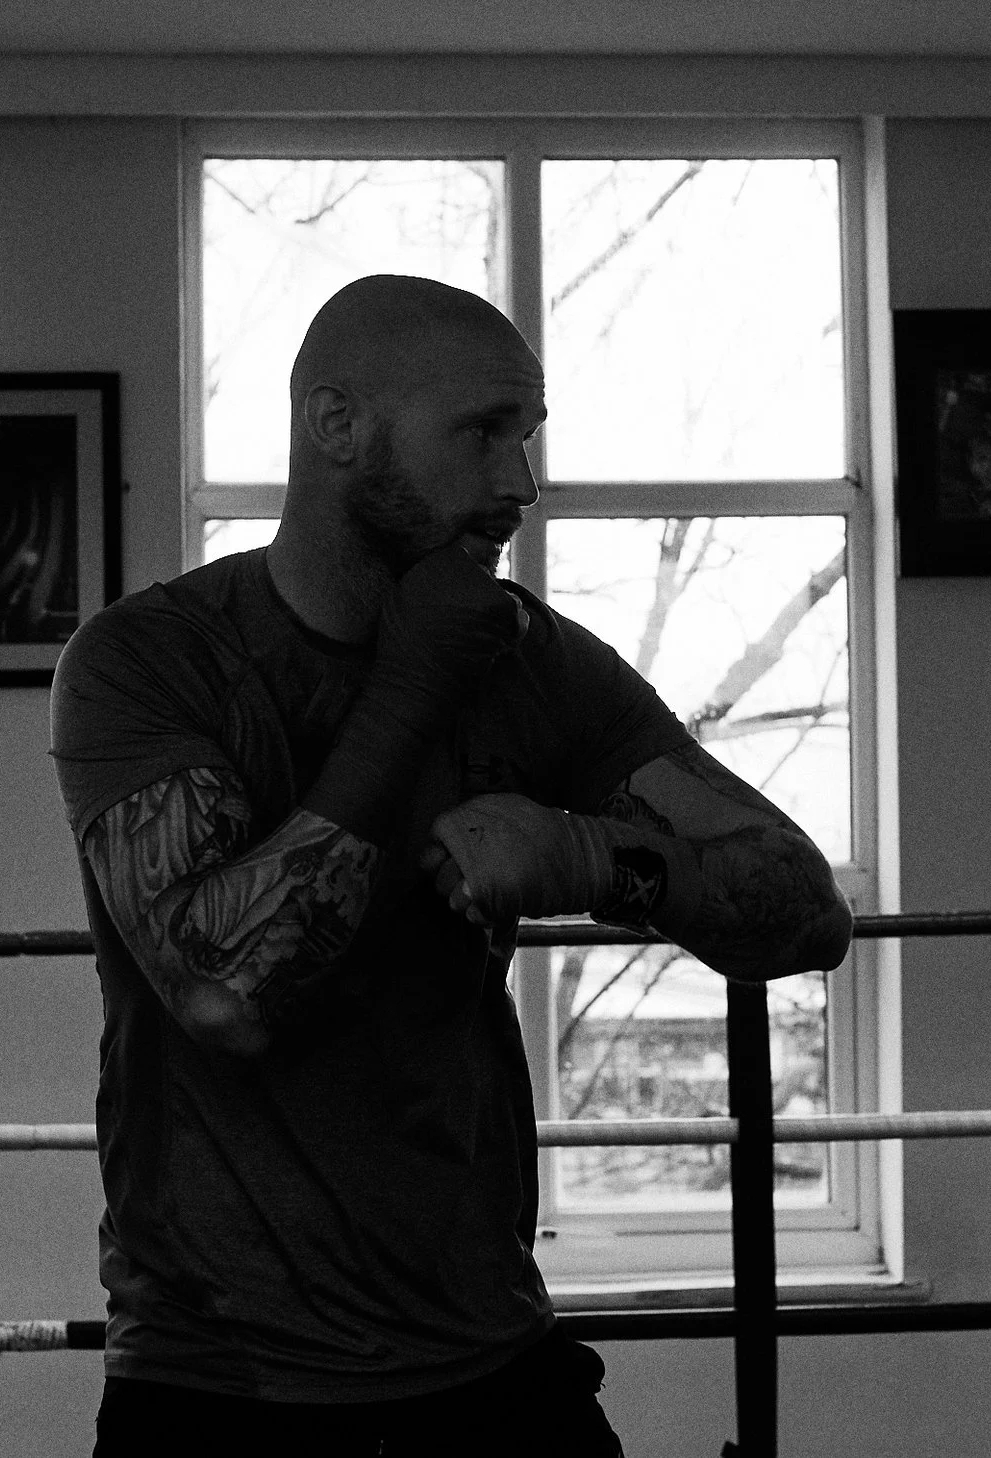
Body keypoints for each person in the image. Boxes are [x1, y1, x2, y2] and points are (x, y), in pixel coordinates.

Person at [50, 274, 854, 1457]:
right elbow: (225, 992)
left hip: (491, 1360)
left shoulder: (533, 661)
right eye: (482, 432)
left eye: (525, 435)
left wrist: (602, 857)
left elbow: (806, 909)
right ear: (336, 424)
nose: (520, 481)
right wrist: (412, 684)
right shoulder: (151, 662)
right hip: (220, 1386)